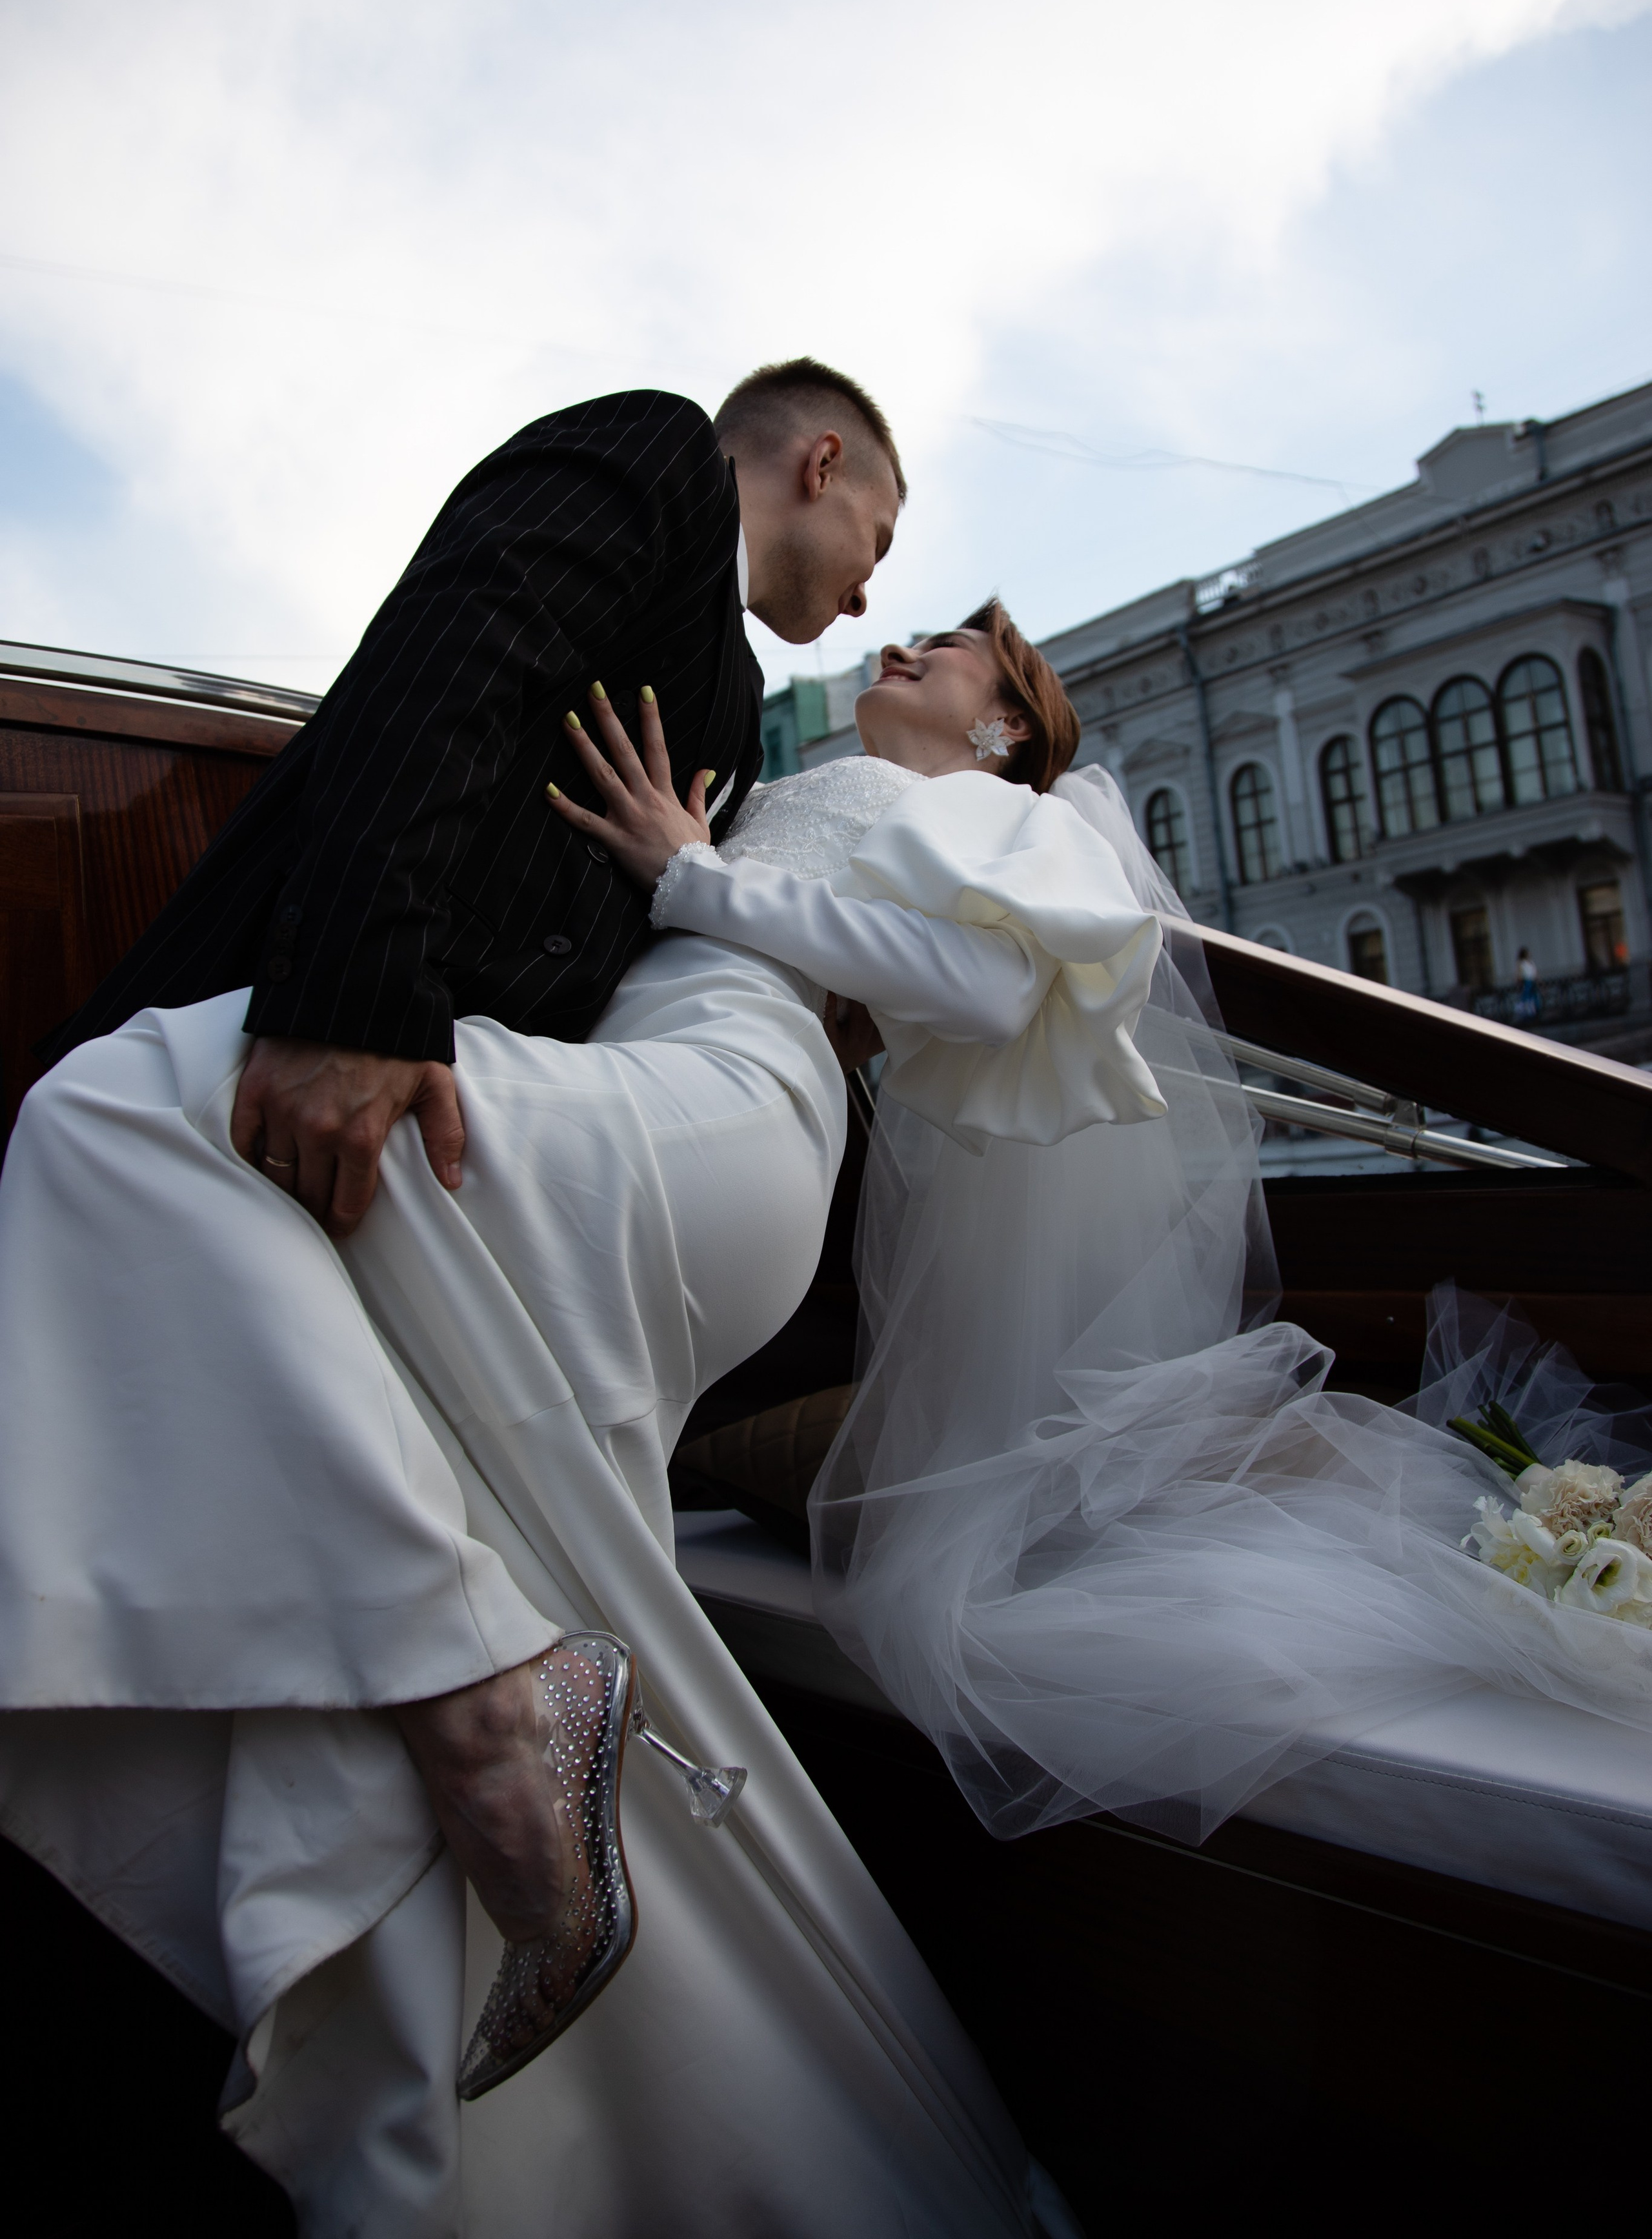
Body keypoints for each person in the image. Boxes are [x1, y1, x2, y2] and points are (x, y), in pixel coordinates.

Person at [0, 500, 1142, 2220]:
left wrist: (692, 878)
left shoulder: (987, 805)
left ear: (1000, 725)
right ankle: (504, 2052)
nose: (909, 637)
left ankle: (502, 1694)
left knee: (128, 1106)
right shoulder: (796, 791)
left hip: (732, 1118)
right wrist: (693, 856)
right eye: (911, 607)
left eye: (960, 640)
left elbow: (982, 1002)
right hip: (678, 1108)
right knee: (432, 1472)